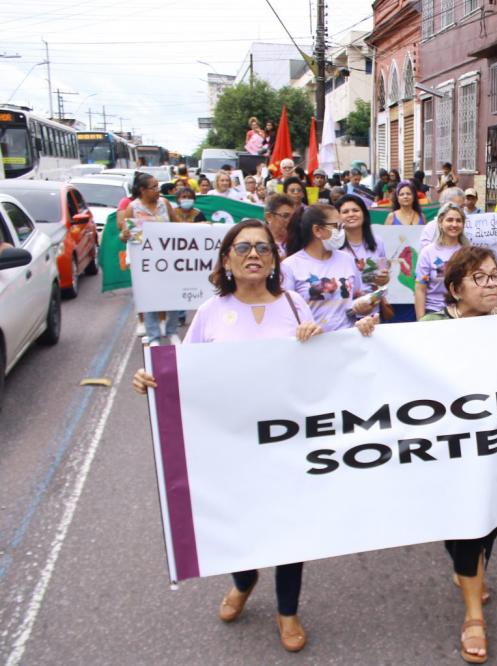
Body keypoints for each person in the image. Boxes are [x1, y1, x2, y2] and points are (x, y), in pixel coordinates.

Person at [131, 220, 375, 653]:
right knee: (239, 525)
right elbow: (185, 372)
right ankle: (243, 581)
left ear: (274, 259)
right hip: (232, 445)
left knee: (289, 529)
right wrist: (153, 380)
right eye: (242, 247)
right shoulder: (210, 312)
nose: (253, 254)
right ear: (227, 259)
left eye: (263, 247)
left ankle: (287, 612)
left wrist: (336, 336)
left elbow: (327, 361)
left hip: (290, 441)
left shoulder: (296, 303)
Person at [420, 245, 497, 664]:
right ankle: (473, 617)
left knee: (490, 521)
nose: (492, 285)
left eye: (495, 276)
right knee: (467, 524)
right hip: (448, 450)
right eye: (481, 278)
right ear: (455, 289)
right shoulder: (431, 326)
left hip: (494, 449)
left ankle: (466, 567)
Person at [281, 204, 376, 332]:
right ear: (317, 230)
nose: (342, 232)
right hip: (310, 343)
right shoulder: (290, 266)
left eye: (343, 227)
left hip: (346, 340)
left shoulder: (347, 260)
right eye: (337, 227)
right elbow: (285, 313)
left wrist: (363, 309)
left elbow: (357, 297)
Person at [118, 173, 180, 346]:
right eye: (153, 187)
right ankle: (153, 336)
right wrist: (124, 234)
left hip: (168, 259)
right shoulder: (133, 208)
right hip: (145, 261)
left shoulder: (165, 204)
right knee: (150, 296)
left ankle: (172, 330)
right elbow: (125, 236)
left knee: (172, 293)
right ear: (142, 190)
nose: (157, 190)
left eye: (157, 186)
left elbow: (179, 226)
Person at [415, 203, 469, 320]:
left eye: (458, 221)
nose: (454, 224)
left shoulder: (467, 252)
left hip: (461, 312)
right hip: (434, 312)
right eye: (449, 220)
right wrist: (421, 320)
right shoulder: (428, 252)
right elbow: (420, 289)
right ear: (440, 222)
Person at [337, 193, 390, 306]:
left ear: (364, 214)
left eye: (355, 210)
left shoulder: (377, 242)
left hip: (372, 310)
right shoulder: (335, 246)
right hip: (344, 311)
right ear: (338, 217)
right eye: (345, 212)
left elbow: (384, 278)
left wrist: (383, 278)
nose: (351, 214)